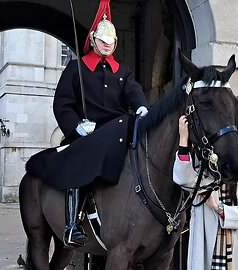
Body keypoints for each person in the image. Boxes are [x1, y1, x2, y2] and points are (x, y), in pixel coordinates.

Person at [53, 0, 149, 248]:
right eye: (103, 40)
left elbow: (134, 92)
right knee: (79, 161)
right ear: (93, 40)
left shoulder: (122, 72)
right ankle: (72, 224)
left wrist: (141, 106)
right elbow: (62, 104)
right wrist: (76, 127)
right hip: (88, 132)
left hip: (117, 130)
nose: (107, 45)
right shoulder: (76, 68)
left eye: (111, 42)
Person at [173, 115, 238, 270]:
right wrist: (183, 140)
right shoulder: (203, 179)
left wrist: (218, 207)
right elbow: (181, 177)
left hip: (235, 254)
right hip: (208, 256)